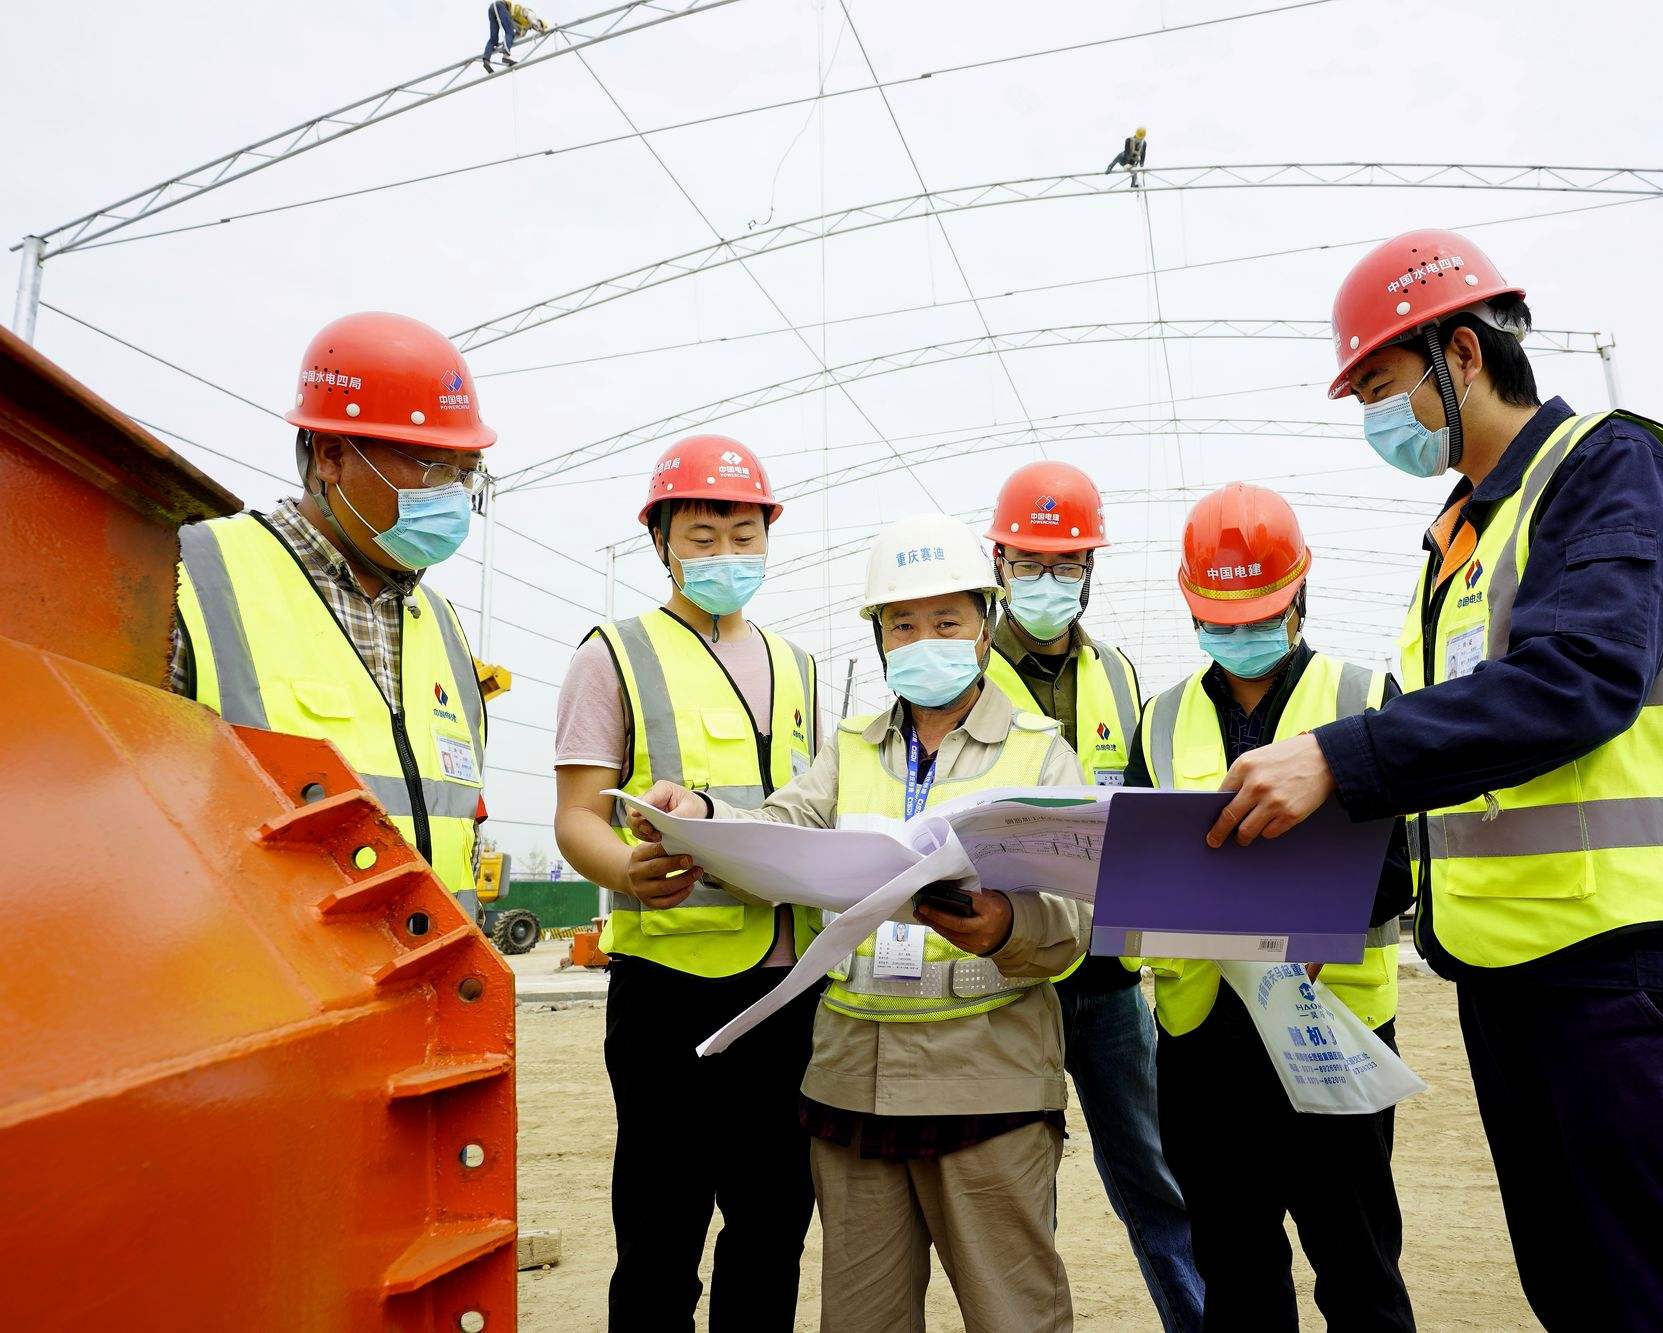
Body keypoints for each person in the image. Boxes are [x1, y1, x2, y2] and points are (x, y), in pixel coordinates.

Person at [1209, 229, 1663, 1331]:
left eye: (1381, 388)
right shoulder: (1456, 537)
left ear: (1464, 355)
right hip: (1512, 979)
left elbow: (1575, 679)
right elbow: (1461, 768)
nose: (1373, 421)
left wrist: (1336, 758)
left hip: (1628, 973)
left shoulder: (1607, 466)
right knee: (1584, 1292)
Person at [632, 514, 1088, 1333]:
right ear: (880, 639)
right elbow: (777, 832)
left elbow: (1077, 916)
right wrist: (697, 813)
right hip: (853, 1082)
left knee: (1014, 1315)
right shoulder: (849, 749)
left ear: (983, 629)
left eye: (946, 621)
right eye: (902, 624)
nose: (924, 639)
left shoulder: (1040, 752)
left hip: (987, 1079)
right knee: (861, 1319)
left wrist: (1007, 924)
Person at [1125, 482, 1415, 1332]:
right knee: (1233, 1265)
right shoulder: (1163, 715)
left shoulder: (1366, 696)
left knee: (1358, 1261)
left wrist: (1318, 918)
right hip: (1202, 1036)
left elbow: (1404, 865)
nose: (1241, 634)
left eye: (1260, 614)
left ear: (1299, 600)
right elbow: (1145, 860)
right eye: (1221, 617)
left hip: (1332, 1026)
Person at [550, 433, 820, 1332]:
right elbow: (576, 816)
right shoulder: (613, 655)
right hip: (667, 988)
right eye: (703, 536)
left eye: (744, 534)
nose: (726, 555)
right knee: (662, 1233)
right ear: (661, 540)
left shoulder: (801, 668)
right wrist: (627, 866)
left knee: (774, 1223)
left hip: (785, 985)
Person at [172, 312, 493, 920]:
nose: (452, 492)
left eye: (465, 472)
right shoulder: (195, 573)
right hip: (268, 990)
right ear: (331, 455)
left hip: (425, 985)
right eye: (431, 466)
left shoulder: (442, 623)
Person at [981, 461, 1203, 1331]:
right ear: (999, 561)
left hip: (1109, 975)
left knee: (1155, 1175)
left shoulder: (1117, 672)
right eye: (1031, 561)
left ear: (1090, 571)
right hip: (1002, 970)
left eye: (1067, 563)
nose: (1048, 581)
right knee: (1013, 1186)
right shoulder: (955, 671)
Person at [482, 1, 550, 72]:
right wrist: (540, 28)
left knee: (493, 39)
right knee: (510, 32)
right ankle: (506, 56)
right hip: (501, 6)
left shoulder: (525, 27)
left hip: (492, 8)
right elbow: (531, 19)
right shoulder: (528, 12)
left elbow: (515, 37)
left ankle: (486, 60)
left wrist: (504, 43)